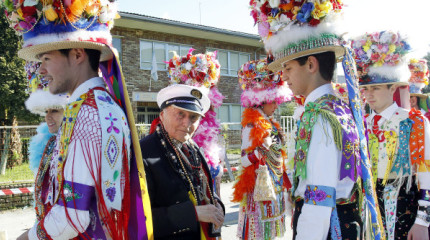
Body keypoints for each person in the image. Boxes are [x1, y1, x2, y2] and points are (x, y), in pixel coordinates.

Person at [4, 1, 152, 239]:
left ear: (77, 54)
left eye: (46, 59)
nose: (40, 70)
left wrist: (28, 237)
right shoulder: (104, 105)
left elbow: (72, 216)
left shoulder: (85, 114)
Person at [249, 1, 384, 239]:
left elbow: (319, 194)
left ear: (311, 64)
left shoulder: (320, 116)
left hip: (326, 226)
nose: (285, 77)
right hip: (341, 221)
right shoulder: (338, 107)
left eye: (288, 68)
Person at [354, 31, 430, 240]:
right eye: (365, 89)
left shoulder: (414, 122)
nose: (368, 95)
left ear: (393, 87)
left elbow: (426, 173)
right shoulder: (363, 124)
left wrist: (423, 221)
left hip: (405, 205)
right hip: (370, 207)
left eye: (375, 88)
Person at [140, 84, 225, 239]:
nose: (187, 124)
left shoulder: (191, 147)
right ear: (162, 115)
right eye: (180, 114)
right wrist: (193, 213)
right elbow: (139, 218)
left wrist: (217, 205)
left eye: (193, 117)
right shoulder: (143, 153)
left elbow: (201, 187)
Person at [232, 59, 292, 239]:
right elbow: (243, 160)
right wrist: (260, 152)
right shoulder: (252, 125)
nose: (276, 106)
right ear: (261, 100)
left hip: (274, 185)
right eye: (273, 102)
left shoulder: (269, 122)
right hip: (260, 190)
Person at [166, 50, 226, 197]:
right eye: (182, 113)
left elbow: (215, 167)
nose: (188, 120)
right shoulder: (176, 130)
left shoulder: (211, 126)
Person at [25, 80, 68, 222]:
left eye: (55, 110)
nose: (48, 116)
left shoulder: (77, 143)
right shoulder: (49, 143)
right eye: (46, 111)